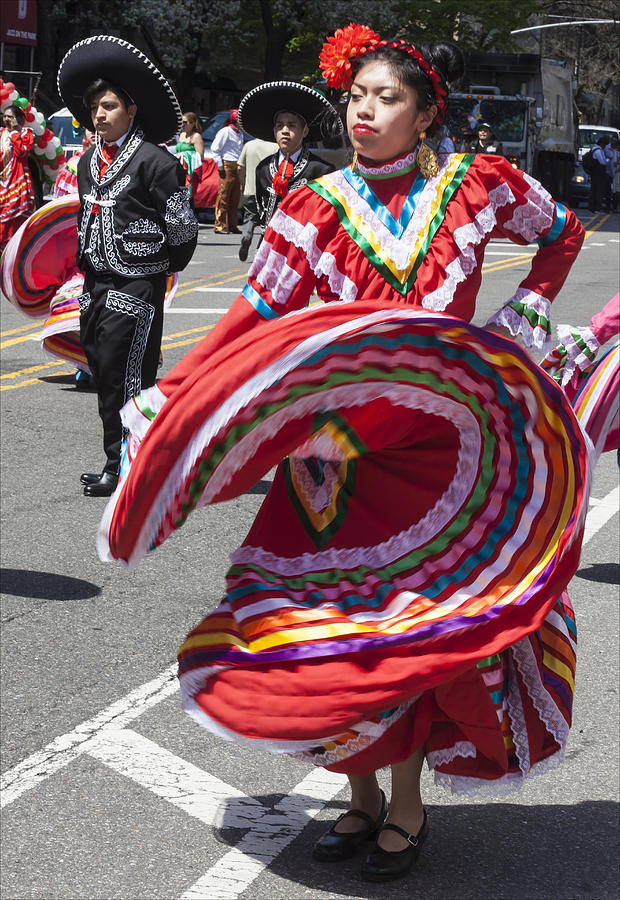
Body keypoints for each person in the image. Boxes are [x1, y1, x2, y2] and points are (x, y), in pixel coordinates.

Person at [99, 25, 588, 883]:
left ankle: (404, 807)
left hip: (440, 457)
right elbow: (254, 318)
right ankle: (359, 797)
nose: (365, 111)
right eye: (356, 96)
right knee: (327, 631)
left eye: (386, 97)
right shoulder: (314, 206)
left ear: (426, 113)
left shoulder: (477, 188)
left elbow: (564, 234)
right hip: (330, 459)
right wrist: (179, 391)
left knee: (405, 629)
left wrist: (532, 308)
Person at [57, 35, 198, 496]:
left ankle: (129, 470)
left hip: (136, 287)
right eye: (96, 106)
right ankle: (119, 459)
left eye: (110, 105)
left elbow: (183, 232)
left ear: (132, 110)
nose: (100, 114)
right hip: (94, 285)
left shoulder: (158, 163)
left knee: (130, 379)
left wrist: (156, 271)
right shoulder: (86, 163)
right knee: (101, 374)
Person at [237, 80, 342, 262]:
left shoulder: (321, 169)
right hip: (268, 248)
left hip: (304, 254)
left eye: (292, 126)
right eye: (280, 126)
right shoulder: (263, 168)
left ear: (305, 131)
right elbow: (261, 209)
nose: (285, 131)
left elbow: (328, 218)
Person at [0, 104, 35, 253]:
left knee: (14, 221)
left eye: (10, 116)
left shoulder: (25, 133)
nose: (6, 119)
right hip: (2, 180)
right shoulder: (1, 133)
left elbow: (21, 152)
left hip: (17, 182)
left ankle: (12, 253)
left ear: (18, 119)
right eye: (5, 116)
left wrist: (14, 132)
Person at [236, 136, 278, 261]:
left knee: (250, 217)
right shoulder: (275, 146)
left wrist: (242, 182)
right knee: (267, 222)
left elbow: (239, 167)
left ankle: (247, 235)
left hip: (250, 189)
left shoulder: (249, 145)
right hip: (268, 191)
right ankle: (260, 249)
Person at [210, 109, 243, 234]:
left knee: (235, 198)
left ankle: (232, 225)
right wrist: (220, 166)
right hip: (227, 165)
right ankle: (220, 225)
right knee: (223, 196)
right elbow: (215, 149)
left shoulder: (239, 133)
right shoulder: (226, 131)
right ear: (235, 120)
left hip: (236, 166)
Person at [176, 111, 204, 200]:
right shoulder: (182, 135)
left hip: (190, 171)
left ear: (192, 124)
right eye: (181, 122)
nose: (182, 125)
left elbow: (200, 157)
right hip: (180, 169)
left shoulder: (196, 136)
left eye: (185, 122)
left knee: (188, 196)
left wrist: (184, 155)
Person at [589, 135, 609, 212]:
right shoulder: (598, 151)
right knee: (598, 191)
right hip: (598, 174)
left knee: (594, 190)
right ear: (602, 144)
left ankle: (593, 207)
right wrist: (608, 159)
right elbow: (602, 162)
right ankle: (596, 207)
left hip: (595, 174)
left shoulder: (594, 149)